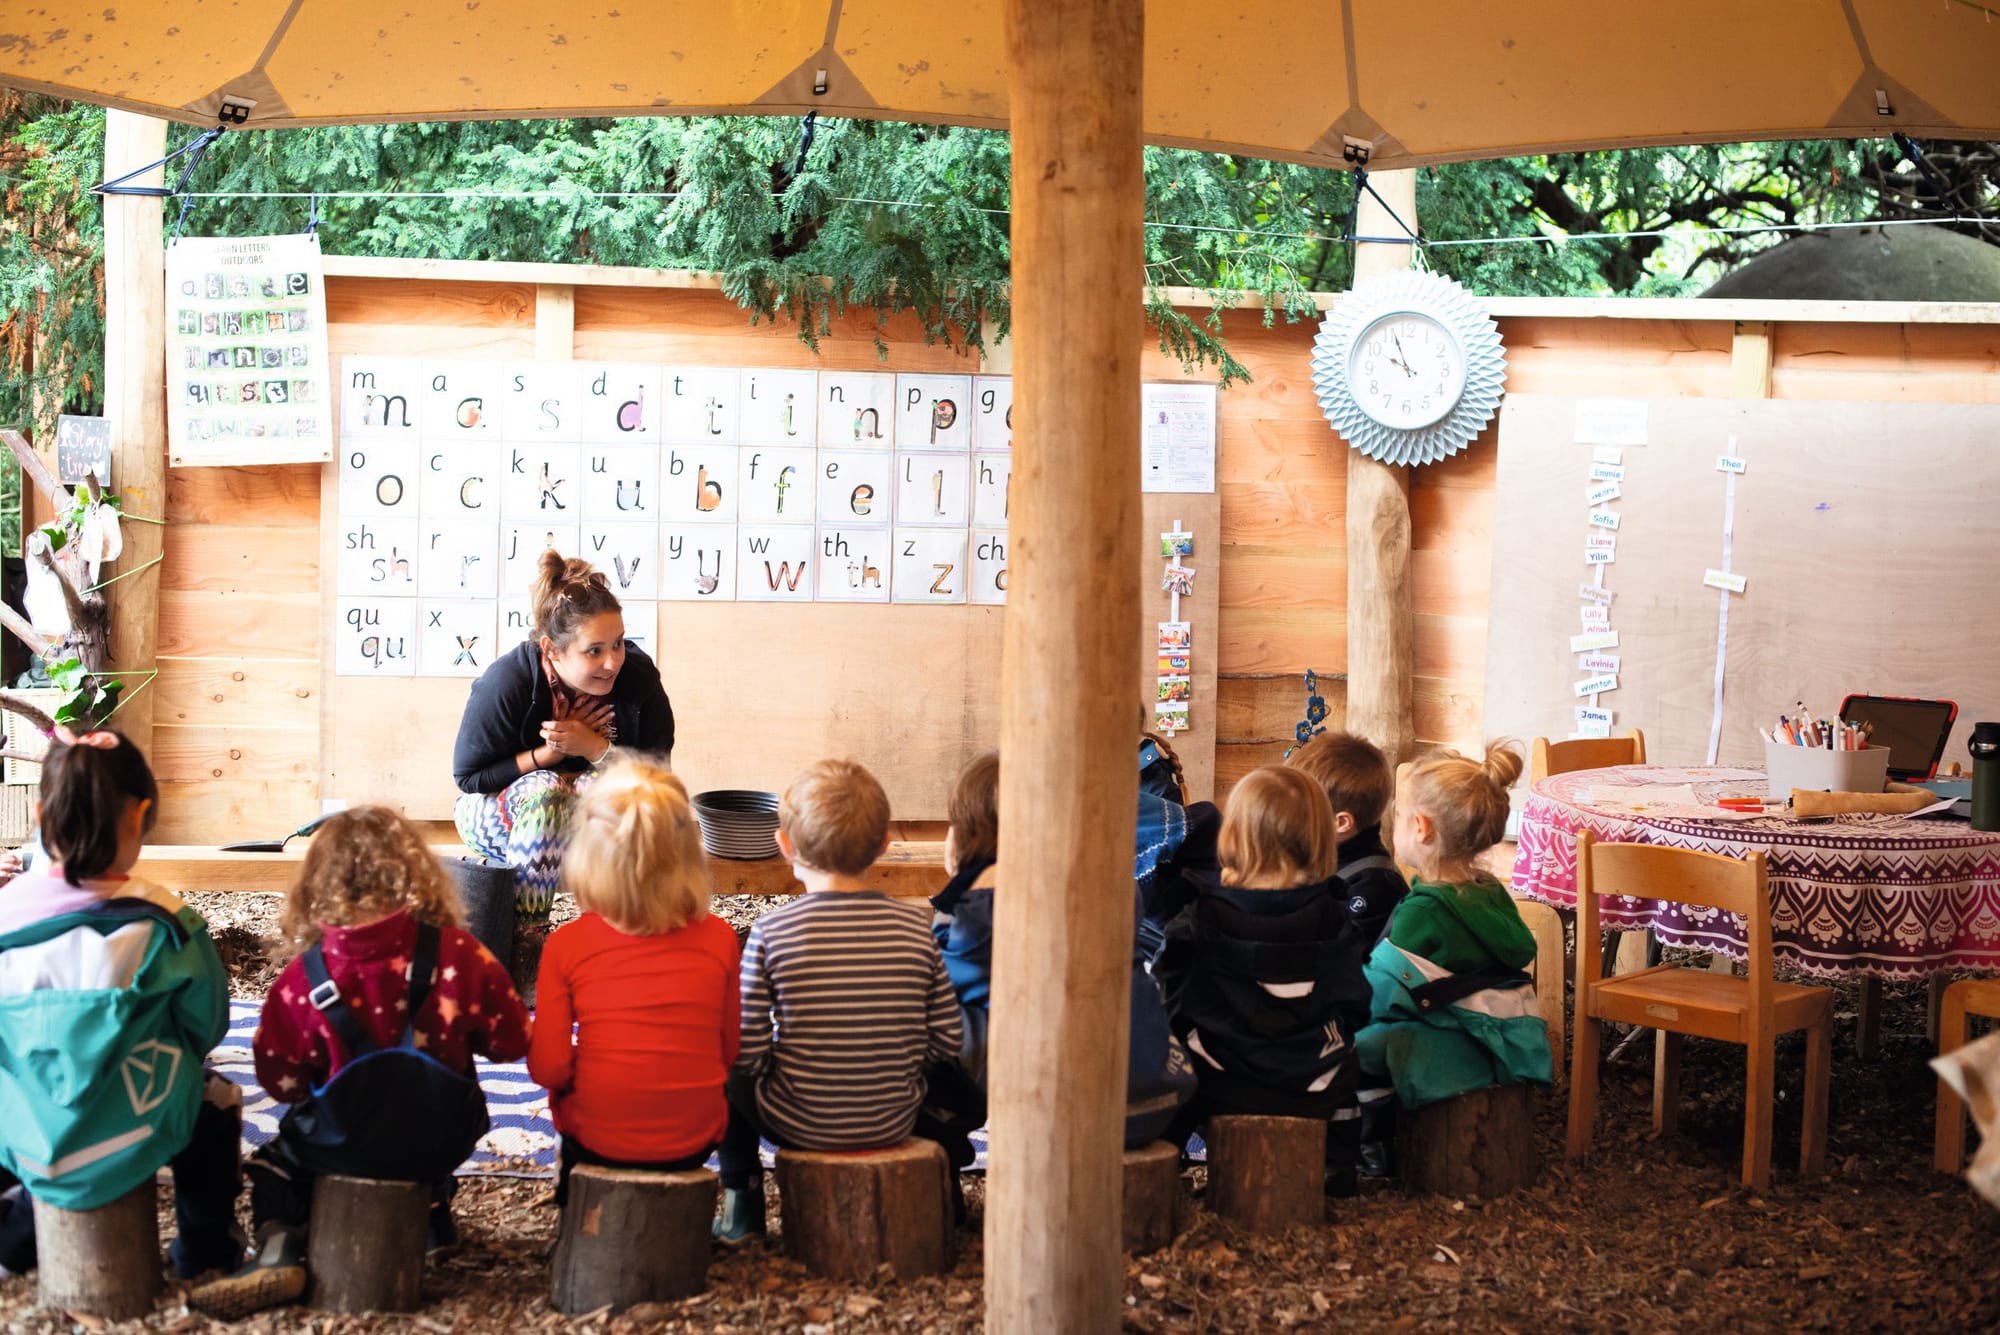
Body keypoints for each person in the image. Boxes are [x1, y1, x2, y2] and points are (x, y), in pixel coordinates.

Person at [191, 808, 530, 1318]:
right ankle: (433, 1217)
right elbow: (511, 1042)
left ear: (317, 887)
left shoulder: (304, 979)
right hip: (443, 1138)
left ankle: (279, 1244)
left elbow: (279, 1082)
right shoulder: (461, 954)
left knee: (274, 1165)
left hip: (340, 1143)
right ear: (417, 874)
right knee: (414, 1132)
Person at [0, 728, 242, 1281]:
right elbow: (207, 1025)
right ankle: (205, 1251)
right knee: (214, 1098)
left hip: (26, 1126)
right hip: (137, 1120)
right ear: (139, 816)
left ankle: (15, 1230)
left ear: (40, 816)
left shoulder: (4, 915)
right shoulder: (166, 922)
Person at [715, 759, 963, 1242]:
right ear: (885, 847)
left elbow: (747, 1049)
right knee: (950, 1079)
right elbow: (947, 1040)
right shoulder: (918, 928)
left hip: (795, 1119)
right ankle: (947, 1181)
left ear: (784, 845)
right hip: (897, 1116)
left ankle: (741, 1199)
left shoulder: (771, 932)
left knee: (725, 1070)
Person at [930, 751, 1194, 1150]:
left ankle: (961, 1132)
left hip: (1066, 1118)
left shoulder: (971, 908)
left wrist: (959, 883)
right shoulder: (1109, 883)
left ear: (967, 832)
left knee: (941, 1003)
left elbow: (948, 979)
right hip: (1154, 1093)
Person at [452, 551, 675, 983]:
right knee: (549, 790)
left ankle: (620, 944)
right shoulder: (507, 682)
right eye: (595, 650)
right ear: (552, 650)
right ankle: (526, 947)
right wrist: (546, 756)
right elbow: (469, 778)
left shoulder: (638, 677)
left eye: (618, 643)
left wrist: (594, 748)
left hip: (587, 823)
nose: (613, 661)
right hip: (501, 815)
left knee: (620, 797)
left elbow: (657, 777)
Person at [528, 759, 740, 1204]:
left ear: (586, 856)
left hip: (596, 1138)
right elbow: (728, 1051)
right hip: (695, 1139)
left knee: (572, 1092)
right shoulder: (720, 938)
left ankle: (573, 1206)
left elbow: (548, 1068)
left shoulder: (566, 945)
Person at [1165, 766, 1362, 1193]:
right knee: (1350, 1065)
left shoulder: (1202, 914)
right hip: (1314, 1083)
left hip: (1220, 1081)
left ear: (1233, 835)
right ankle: (1340, 1166)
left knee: (1172, 1062)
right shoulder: (1332, 915)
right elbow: (1355, 1001)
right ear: (1321, 839)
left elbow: (1170, 999)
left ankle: (1166, 1163)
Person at [1355, 741, 1552, 1116]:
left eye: (1398, 816)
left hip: (1448, 1047)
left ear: (1421, 827)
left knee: (1348, 1046)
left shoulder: (1424, 911)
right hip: (1500, 1038)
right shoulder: (1490, 891)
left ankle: (1372, 1140)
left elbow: (1377, 995)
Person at [1284, 730, 1409, 1176]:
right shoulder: (1327, 864)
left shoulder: (1372, 884)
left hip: (1360, 1018)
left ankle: (1368, 1147)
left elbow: (1342, 969)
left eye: (1302, 811)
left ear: (1341, 823)